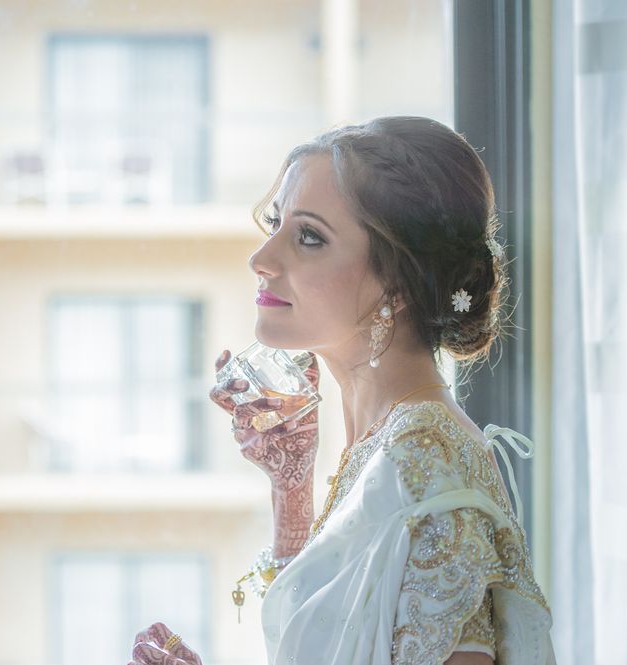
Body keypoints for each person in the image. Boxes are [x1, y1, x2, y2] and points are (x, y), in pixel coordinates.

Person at [127, 117, 555, 665]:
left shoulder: (427, 468)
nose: (262, 259)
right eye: (277, 223)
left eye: (309, 237)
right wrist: (292, 488)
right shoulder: (392, 445)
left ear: (397, 283)